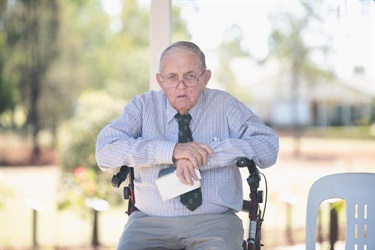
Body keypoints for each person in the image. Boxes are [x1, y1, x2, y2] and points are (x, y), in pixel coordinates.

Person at [95, 41, 279, 250]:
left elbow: (268, 145)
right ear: (160, 81)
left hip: (215, 223)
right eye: (172, 77)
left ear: (205, 78)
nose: (180, 86)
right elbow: (105, 151)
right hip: (149, 223)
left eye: (190, 76)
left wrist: (205, 155)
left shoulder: (224, 105)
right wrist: (172, 151)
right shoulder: (143, 106)